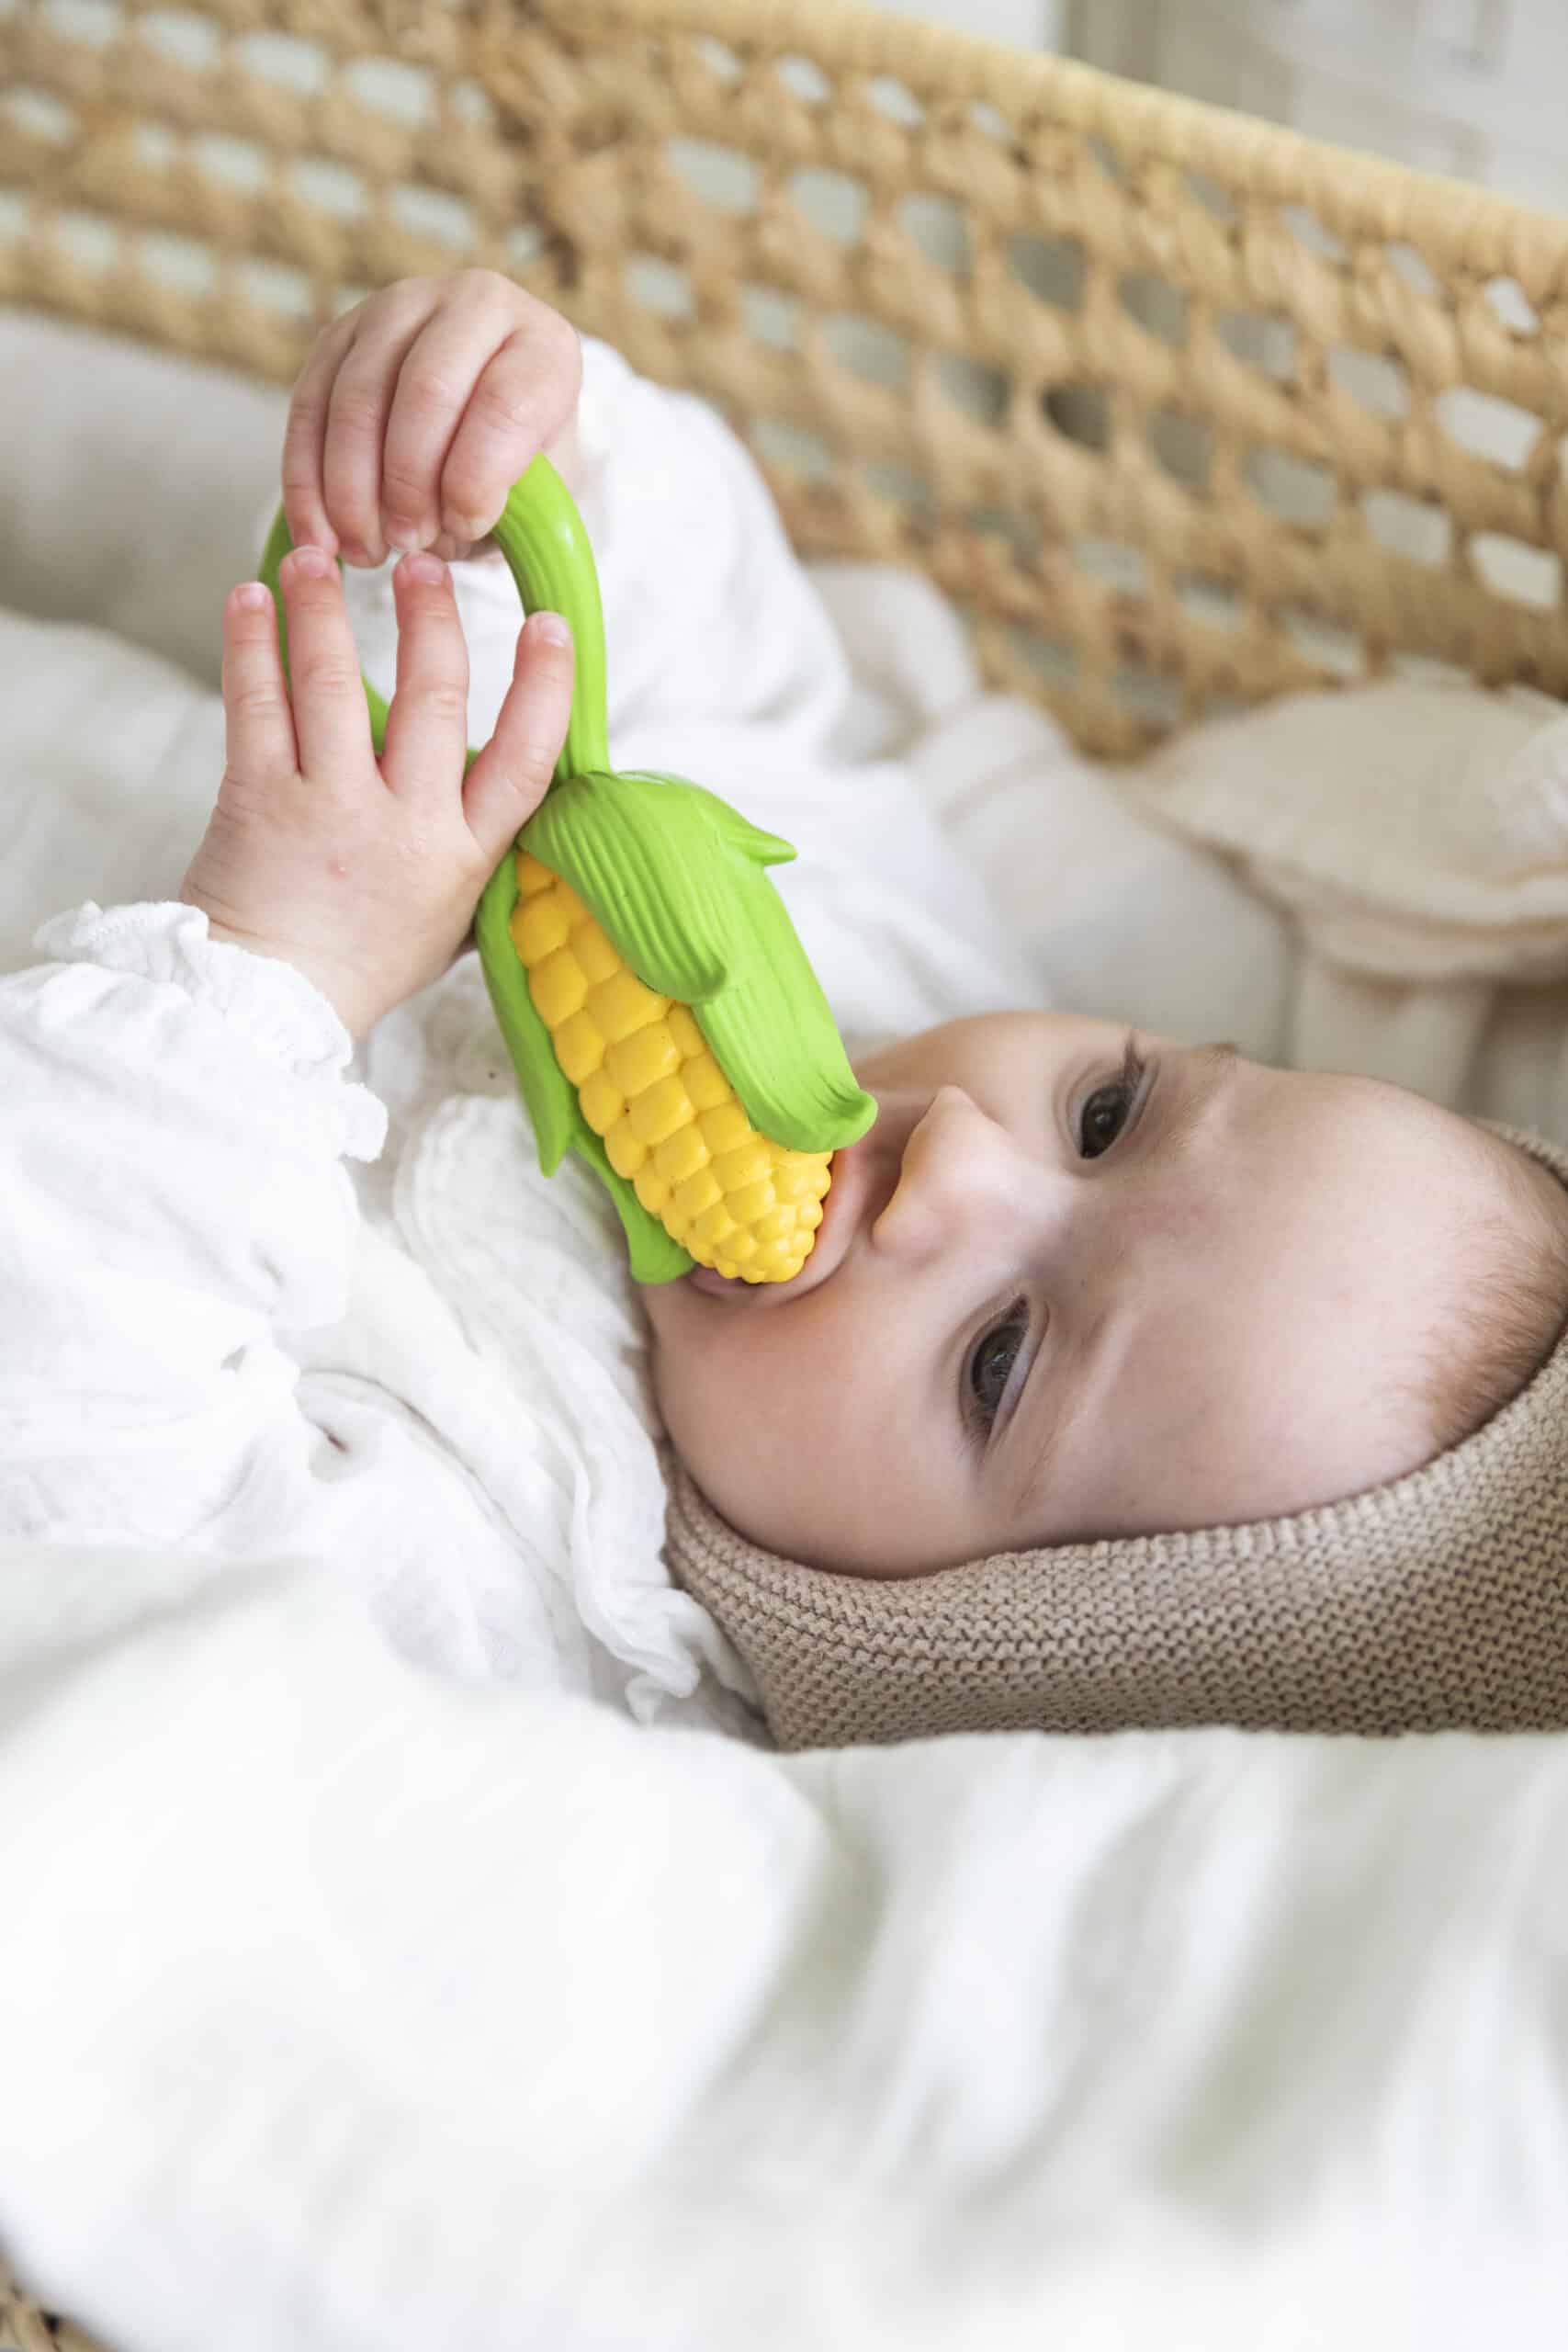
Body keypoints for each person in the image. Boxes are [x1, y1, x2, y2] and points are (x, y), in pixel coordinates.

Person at [11, 269, 1568, 1747]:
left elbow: (87, 1470)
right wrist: (534, 458)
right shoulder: (910, 964)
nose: (957, 1153)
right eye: (1109, 1115)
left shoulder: (533, 1590)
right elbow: (749, 682)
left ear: (925, 1644)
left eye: (999, 1361)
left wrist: (276, 966)